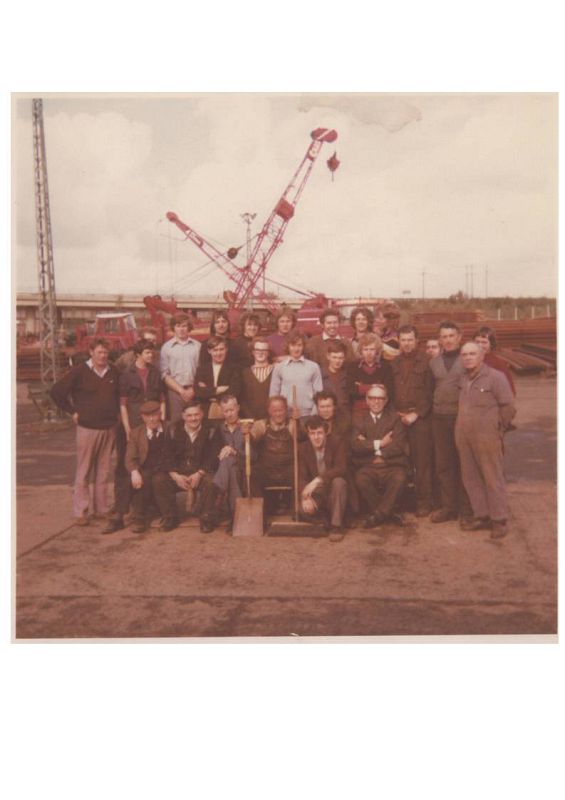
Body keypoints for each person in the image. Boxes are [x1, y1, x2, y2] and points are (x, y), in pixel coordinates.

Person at [50, 338, 119, 527]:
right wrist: (72, 411)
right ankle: (81, 511)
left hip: (109, 427)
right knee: (84, 471)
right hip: (87, 428)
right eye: (99, 352)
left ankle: (101, 509)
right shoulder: (79, 371)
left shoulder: (113, 371)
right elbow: (56, 392)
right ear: (91, 352)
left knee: (103, 472)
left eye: (105, 353)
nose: (103, 356)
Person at [104, 339, 166, 534]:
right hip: (132, 424)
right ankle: (119, 514)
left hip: (153, 422)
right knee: (126, 468)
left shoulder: (155, 373)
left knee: (149, 465)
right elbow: (123, 404)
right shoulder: (126, 375)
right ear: (138, 354)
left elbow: (162, 399)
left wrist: (161, 420)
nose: (151, 355)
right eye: (147, 352)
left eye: (152, 352)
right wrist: (127, 428)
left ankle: (143, 512)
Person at [455, 343, 516, 538]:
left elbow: (508, 406)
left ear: (482, 356)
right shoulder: (463, 377)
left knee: (492, 477)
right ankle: (481, 515)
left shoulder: (495, 377)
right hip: (464, 435)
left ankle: (499, 519)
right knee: (470, 476)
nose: (468, 357)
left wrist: (497, 428)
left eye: (472, 354)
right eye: (464, 354)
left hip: (487, 436)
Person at [429, 320, 473, 525]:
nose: (448, 340)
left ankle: (467, 509)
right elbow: (431, 390)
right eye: (444, 336)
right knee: (444, 464)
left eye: (451, 336)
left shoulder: (466, 360)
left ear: (459, 337)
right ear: (440, 339)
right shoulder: (434, 363)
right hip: (439, 418)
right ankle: (448, 507)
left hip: (461, 417)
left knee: (464, 463)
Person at [155, 401, 222, 533]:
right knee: (159, 480)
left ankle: (206, 518)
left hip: (200, 472)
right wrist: (175, 475)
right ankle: (170, 517)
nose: (193, 418)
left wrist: (200, 473)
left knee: (211, 481)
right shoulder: (173, 429)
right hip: (179, 473)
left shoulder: (212, 430)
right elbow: (166, 455)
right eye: (189, 415)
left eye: (196, 414)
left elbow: (213, 456)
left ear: (202, 414)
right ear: (183, 416)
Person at [390, 325, 435, 516]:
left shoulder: (428, 361)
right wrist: (395, 414)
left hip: (420, 418)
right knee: (399, 460)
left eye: (410, 340)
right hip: (398, 418)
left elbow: (430, 392)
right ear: (399, 341)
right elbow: (391, 391)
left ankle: (424, 502)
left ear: (417, 340)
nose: (407, 343)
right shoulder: (394, 362)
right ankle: (402, 501)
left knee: (422, 462)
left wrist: (416, 414)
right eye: (403, 340)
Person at [351, 384, 409, 528]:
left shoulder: (395, 418)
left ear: (386, 400)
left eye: (380, 398)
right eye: (372, 398)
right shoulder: (358, 419)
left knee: (399, 478)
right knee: (361, 479)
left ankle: (379, 515)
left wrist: (373, 448)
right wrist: (381, 443)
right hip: (368, 466)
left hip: (391, 465)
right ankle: (388, 513)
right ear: (367, 400)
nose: (376, 401)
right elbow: (355, 445)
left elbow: (399, 444)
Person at [124, 400, 172, 533]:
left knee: (159, 480)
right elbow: (130, 457)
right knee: (140, 479)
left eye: (155, 415)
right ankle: (139, 518)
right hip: (146, 468)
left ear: (160, 414)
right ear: (143, 417)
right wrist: (134, 472)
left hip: (165, 468)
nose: (152, 419)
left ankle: (168, 516)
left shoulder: (170, 428)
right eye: (148, 416)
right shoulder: (136, 433)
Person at [298, 416, 348, 541]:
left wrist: (318, 480)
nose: (316, 437)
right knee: (302, 511)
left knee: (339, 482)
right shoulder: (303, 448)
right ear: (308, 434)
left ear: (326, 432)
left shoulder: (337, 443)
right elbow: (301, 476)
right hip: (317, 492)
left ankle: (336, 526)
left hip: (333, 490)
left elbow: (341, 468)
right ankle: (325, 519)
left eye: (319, 433)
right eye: (312, 433)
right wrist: (305, 497)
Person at [250, 395, 299, 511]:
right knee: (252, 475)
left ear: (286, 410)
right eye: (274, 411)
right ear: (269, 411)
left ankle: (296, 509)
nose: (278, 414)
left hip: (288, 471)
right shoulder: (260, 425)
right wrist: (247, 433)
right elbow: (252, 439)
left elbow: (301, 437)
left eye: (281, 410)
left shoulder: (293, 424)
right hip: (267, 471)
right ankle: (260, 512)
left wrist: (298, 421)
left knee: (301, 474)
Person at [212, 395, 253, 527]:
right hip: (228, 469)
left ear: (238, 408)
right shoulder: (219, 429)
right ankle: (237, 517)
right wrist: (224, 451)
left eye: (232, 410)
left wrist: (234, 452)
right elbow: (214, 455)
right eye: (226, 411)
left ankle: (219, 490)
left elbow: (253, 455)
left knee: (229, 460)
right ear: (222, 412)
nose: (229, 414)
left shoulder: (247, 426)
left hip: (245, 466)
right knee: (229, 466)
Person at [269, 330, 323, 417]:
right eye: (293, 345)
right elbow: (273, 394)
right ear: (288, 346)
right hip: (286, 415)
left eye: (299, 345)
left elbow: (319, 393)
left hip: (308, 414)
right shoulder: (279, 367)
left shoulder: (313, 367)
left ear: (304, 346)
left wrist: (314, 413)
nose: (296, 349)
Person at [160, 313, 201, 423]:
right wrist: (181, 391)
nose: (181, 329)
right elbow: (164, 374)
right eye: (178, 326)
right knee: (176, 423)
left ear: (189, 328)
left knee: (195, 422)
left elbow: (202, 372)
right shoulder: (166, 348)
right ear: (173, 328)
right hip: (175, 392)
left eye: (184, 326)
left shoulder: (198, 346)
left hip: (194, 391)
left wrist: (193, 390)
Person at [193, 336, 242, 422]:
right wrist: (217, 389)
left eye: (221, 349)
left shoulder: (235, 368)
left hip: (227, 410)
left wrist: (208, 391)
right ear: (209, 351)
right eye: (215, 350)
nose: (218, 353)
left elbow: (235, 390)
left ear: (226, 349)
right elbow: (198, 392)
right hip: (206, 410)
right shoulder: (202, 369)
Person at [348, 332, 394, 415]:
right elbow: (351, 390)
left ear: (377, 351)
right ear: (361, 350)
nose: (369, 353)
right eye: (365, 349)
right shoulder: (353, 367)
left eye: (372, 349)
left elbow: (388, 390)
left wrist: (361, 387)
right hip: (359, 412)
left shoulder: (386, 367)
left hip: (380, 412)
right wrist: (375, 387)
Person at [473, 326, 516, 395]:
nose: (480, 345)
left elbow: (510, 390)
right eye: (477, 342)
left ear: (491, 344)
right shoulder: (468, 360)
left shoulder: (498, 364)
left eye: (484, 342)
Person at [240, 337, 274, 420]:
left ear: (268, 353)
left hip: (271, 418)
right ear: (253, 352)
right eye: (257, 350)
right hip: (250, 419)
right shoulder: (245, 372)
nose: (260, 353)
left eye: (264, 350)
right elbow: (242, 399)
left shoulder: (276, 371)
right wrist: (250, 417)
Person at [321, 340, 352, 417]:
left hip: (344, 415)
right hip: (326, 415)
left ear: (344, 358)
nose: (337, 361)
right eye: (334, 357)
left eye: (340, 358)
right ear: (328, 356)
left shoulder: (349, 375)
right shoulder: (320, 374)